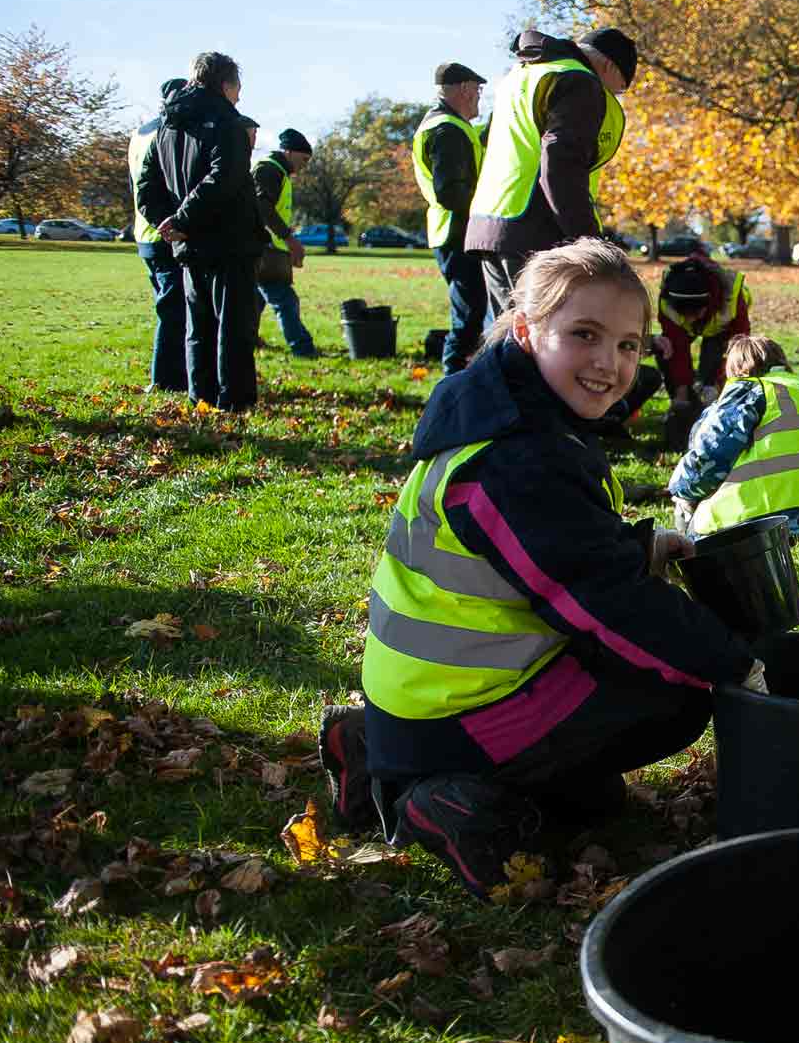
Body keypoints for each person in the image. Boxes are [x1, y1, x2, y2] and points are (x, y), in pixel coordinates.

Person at [317, 238, 765, 899]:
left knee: (596, 789)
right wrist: (738, 664)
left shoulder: (514, 411)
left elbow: (548, 557)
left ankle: (374, 746)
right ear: (526, 329)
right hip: (452, 710)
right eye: (584, 334)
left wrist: (642, 548)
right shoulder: (514, 457)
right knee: (672, 696)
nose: (608, 364)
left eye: (628, 345)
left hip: (435, 694)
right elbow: (606, 600)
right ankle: (431, 796)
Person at [466, 27, 635, 317]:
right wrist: (587, 241)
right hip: (535, 228)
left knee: (507, 338)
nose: (612, 97)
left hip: (488, 222)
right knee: (541, 341)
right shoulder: (580, 82)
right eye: (617, 89)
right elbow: (561, 165)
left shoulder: (523, 74)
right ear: (608, 65)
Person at [136, 51, 267, 413]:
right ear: (226, 85)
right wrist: (182, 220)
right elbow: (224, 178)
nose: (239, 97)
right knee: (234, 326)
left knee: (199, 324)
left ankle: (202, 397)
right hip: (230, 240)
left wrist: (170, 221)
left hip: (189, 244)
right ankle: (234, 401)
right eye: (238, 88)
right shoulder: (228, 123)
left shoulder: (167, 125)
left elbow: (146, 184)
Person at [668, 334, 799, 552]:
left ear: (737, 369)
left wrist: (681, 491)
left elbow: (709, 457)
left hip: (772, 526)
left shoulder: (749, 389)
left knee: (690, 511)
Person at [413, 61, 491, 373]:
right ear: (463, 89)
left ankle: (460, 382)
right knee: (469, 315)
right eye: (477, 90)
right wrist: (487, 208)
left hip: (452, 231)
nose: (479, 97)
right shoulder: (447, 130)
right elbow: (450, 192)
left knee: (472, 313)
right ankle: (452, 385)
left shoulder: (451, 126)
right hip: (458, 232)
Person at [632, 252, 752, 419]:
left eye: (695, 313)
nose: (689, 319)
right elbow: (677, 347)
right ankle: (681, 403)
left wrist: (718, 384)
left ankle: (709, 396)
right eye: (684, 314)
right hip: (697, 324)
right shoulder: (670, 298)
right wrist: (681, 392)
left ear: (708, 304)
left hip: (723, 331)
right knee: (666, 348)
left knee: (713, 355)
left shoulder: (731, 298)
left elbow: (739, 350)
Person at [129, 77, 189, 394]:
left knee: (167, 306)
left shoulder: (139, 134)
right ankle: (166, 380)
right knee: (173, 311)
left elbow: (136, 186)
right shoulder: (167, 132)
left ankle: (171, 375)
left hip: (144, 233)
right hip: (165, 232)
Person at [252, 129, 319, 359]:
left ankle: (246, 339)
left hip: (269, 249)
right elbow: (263, 207)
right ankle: (303, 349)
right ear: (288, 152)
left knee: (256, 299)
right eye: (304, 159)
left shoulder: (277, 170)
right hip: (264, 249)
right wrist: (289, 239)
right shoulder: (269, 170)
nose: (305, 165)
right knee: (285, 300)